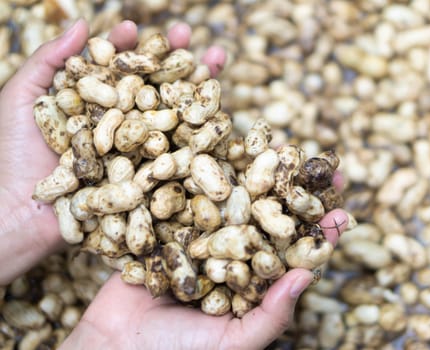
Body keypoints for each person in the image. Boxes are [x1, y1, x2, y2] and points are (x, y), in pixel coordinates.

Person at [0, 19, 349, 349]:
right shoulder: (126, 142)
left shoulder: (191, 169)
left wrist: (14, 210)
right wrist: (12, 203)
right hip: (142, 177)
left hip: (177, 187)